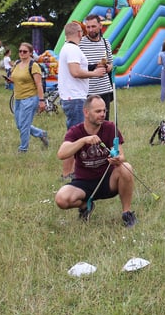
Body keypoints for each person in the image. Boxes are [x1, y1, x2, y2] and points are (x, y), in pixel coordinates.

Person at [54, 95, 137, 228]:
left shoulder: (110, 128)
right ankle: (85, 205)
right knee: (61, 199)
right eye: (98, 111)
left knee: (126, 167)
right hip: (83, 183)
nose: (103, 114)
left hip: (107, 181)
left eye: (104, 111)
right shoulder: (75, 131)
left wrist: (117, 159)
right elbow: (61, 154)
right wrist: (83, 140)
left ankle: (127, 213)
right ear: (86, 112)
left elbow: (122, 156)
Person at [58, 21, 108, 179]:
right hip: (75, 98)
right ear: (79, 33)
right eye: (83, 31)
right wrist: (95, 74)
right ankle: (67, 173)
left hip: (73, 97)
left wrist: (94, 67)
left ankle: (71, 171)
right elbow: (75, 72)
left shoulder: (69, 48)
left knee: (75, 135)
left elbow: (79, 68)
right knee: (75, 137)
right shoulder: (72, 49)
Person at [9, 42, 49, 153]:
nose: (22, 53)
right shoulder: (16, 63)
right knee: (20, 125)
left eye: (25, 51)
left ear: (31, 53)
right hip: (17, 98)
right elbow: (14, 78)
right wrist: (9, 80)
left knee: (24, 126)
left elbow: (39, 84)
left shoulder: (34, 65)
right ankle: (41, 133)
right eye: (20, 51)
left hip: (30, 98)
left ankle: (23, 149)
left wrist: (41, 101)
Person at [79, 14, 114, 119]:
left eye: (93, 26)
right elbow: (77, 67)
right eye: (88, 27)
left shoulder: (106, 42)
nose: (90, 30)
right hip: (87, 91)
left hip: (104, 89)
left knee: (104, 121)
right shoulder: (80, 43)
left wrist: (108, 67)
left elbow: (111, 63)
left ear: (100, 26)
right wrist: (94, 67)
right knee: (89, 122)